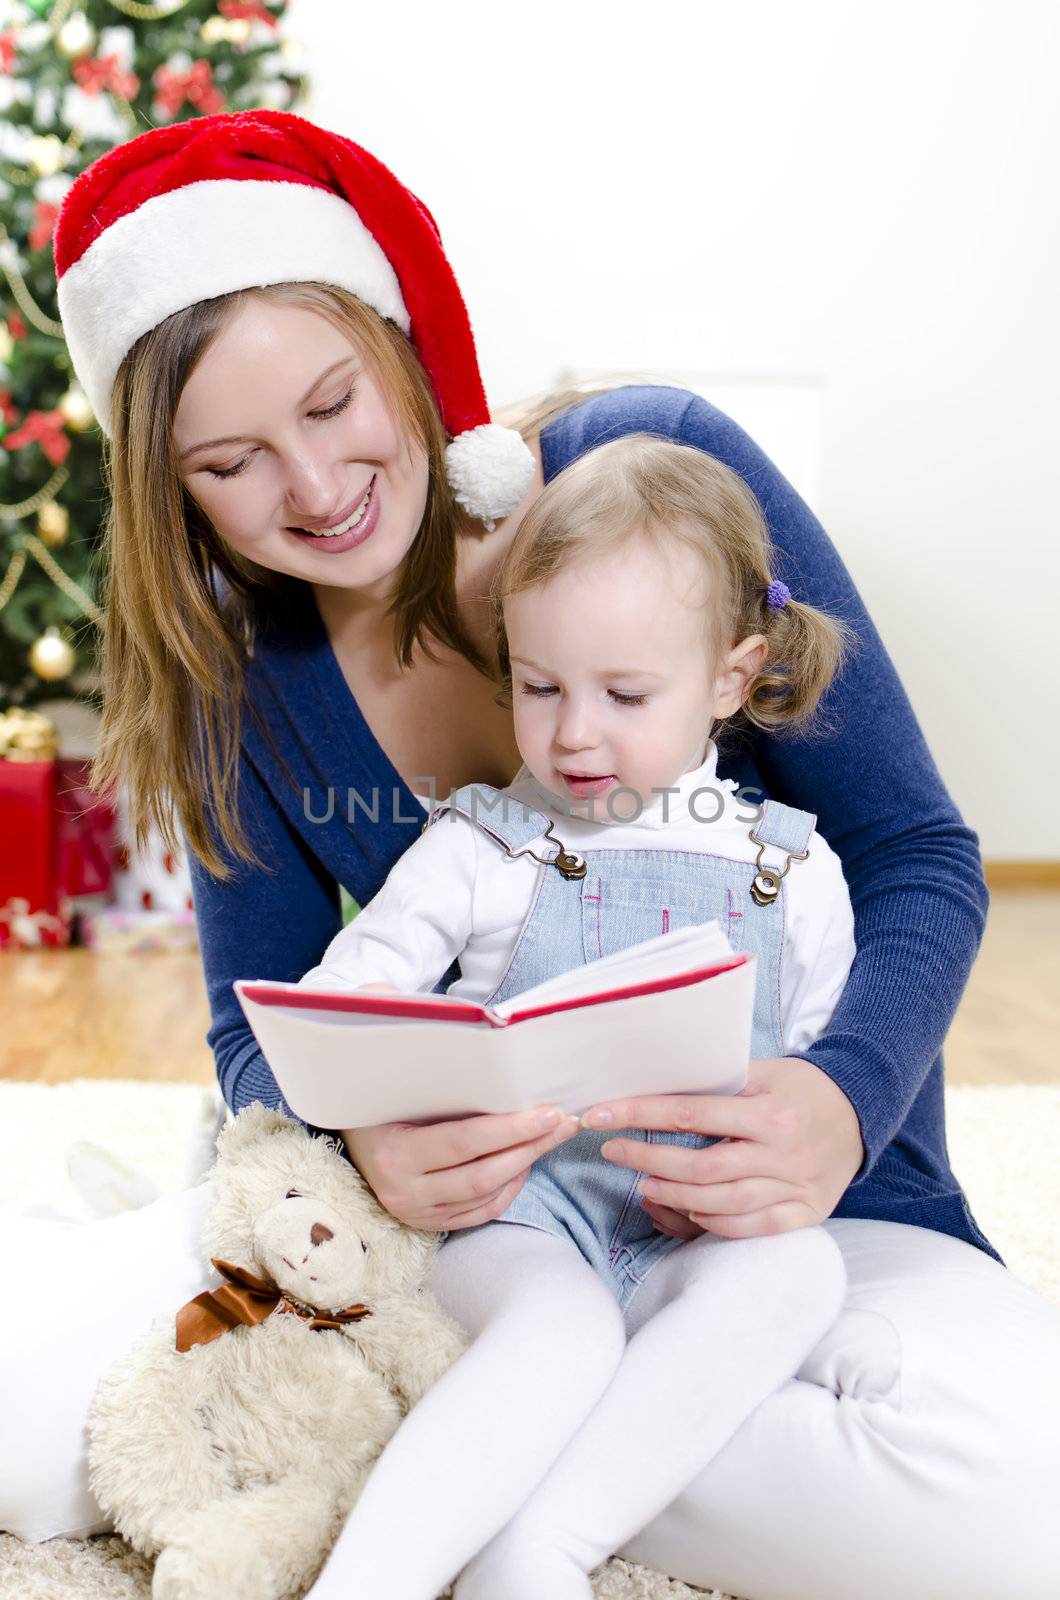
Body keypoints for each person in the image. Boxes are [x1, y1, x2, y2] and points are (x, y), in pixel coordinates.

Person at [2, 107, 1057, 1600]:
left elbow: (917, 856)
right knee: (29, 1430)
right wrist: (362, 1142)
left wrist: (842, 1100)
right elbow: (260, 1031)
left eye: (331, 403)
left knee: (1024, 1514)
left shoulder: (663, 474)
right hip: (458, 1238)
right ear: (172, 491)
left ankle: (479, 1471)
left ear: (399, 335)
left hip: (773, 1222)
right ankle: (527, 1436)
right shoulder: (247, 671)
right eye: (230, 462)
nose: (311, 489)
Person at [293, 431, 856, 1599]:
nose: (573, 732)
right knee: (561, 1338)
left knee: (800, 1278)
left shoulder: (791, 870)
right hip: (515, 1220)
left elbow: (819, 1075)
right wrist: (390, 1096)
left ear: (729, 678)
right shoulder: (484, 843)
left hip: (687, 1231)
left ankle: (539, 1545)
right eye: (539, 687)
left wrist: (780, 1175)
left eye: (624, 693)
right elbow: (346, 999)